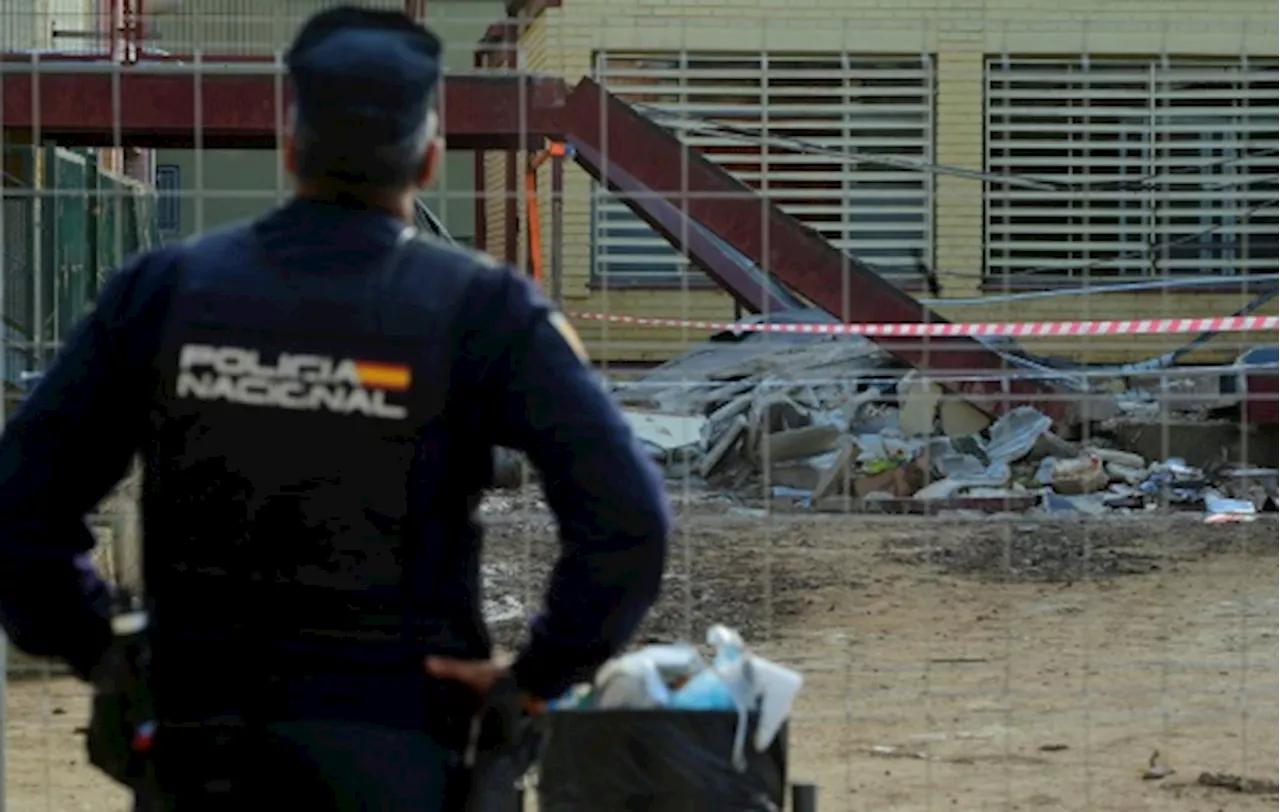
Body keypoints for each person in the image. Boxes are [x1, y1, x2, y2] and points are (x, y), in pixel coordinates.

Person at [0, 6, 670, 810]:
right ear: (428, 159)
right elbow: (627, 522)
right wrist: (534, 678)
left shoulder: (165, 294)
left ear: (290, 147)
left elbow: (21, 505)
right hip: (401, 747)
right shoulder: (482, 312)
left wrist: (105, 650)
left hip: (203, 744)